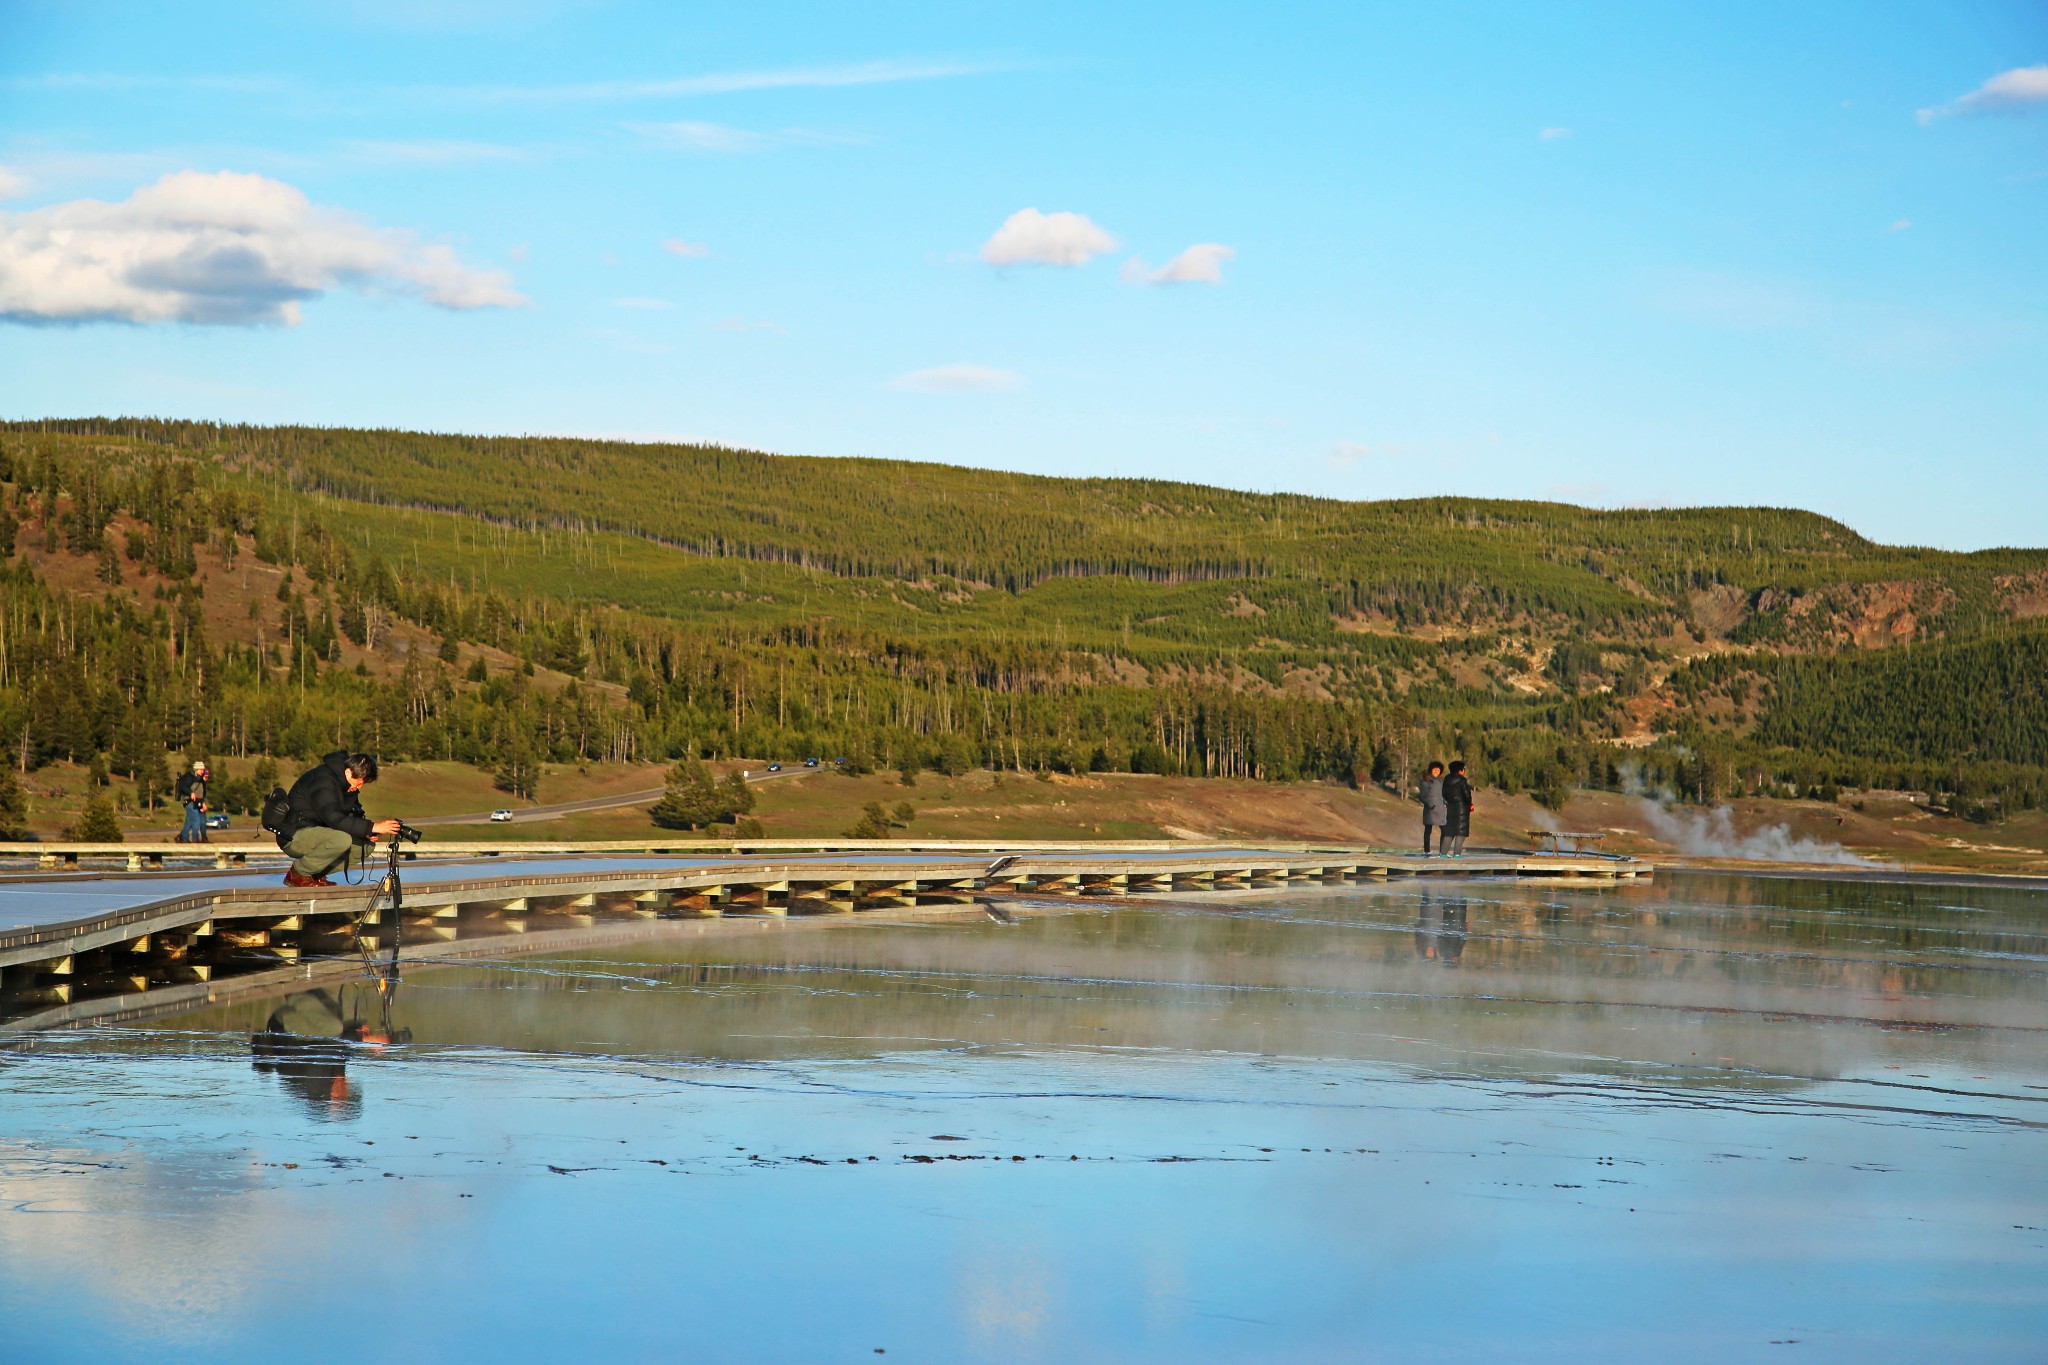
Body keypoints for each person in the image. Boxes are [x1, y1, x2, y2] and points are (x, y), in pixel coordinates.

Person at [274, 751, 402, 887]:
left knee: (365, 846)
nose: (359, 787)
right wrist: (373, 826)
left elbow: (350, 817)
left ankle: (314, 875)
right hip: (293, 835)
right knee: (341, 840)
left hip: (320, 833)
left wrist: (367, 832)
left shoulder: (347, 786)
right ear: (348, 773)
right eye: (359, 783)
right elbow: (334, 818)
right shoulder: (322, 780)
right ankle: (298, 873)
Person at [1441, 759, 1474, 857]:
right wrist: (1469, 804)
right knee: (1461, 832)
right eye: (1463, 769)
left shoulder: (1446, 780)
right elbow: (1467, 795)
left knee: (1449, 832)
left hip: (1450, 809)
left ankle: (1443, 854)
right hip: (1462, 810)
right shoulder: (1462, 780)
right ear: (1460, 770)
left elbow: (1444, 794)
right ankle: (1457, 854)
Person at [174, 759, 210, 843]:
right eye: (201, 769)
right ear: (196, 769)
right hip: (189, 802)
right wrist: (191, 793)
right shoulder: (189, 777)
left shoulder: (200, 779)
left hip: (196, 803)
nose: (202, 771)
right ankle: (194, 839)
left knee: (189, 822)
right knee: (196, 820)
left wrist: (203, 803)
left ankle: (182, 838)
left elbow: (200, 793)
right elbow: (183, 787)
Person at [1419, 761, 1447, 854]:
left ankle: (1442, 851)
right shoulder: (1426, 781)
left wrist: (1446, 803)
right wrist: (1431, 805)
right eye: (1435, 769)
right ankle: (1427, 851)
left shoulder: (1441, 781)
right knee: (1428, 830)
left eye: (1438, 770)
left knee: (1445, 830)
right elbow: (1422, 796)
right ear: (1431, 769)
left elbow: (1444, 794)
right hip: (1430, 810)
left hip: (1441, 810)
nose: (1436, 772)